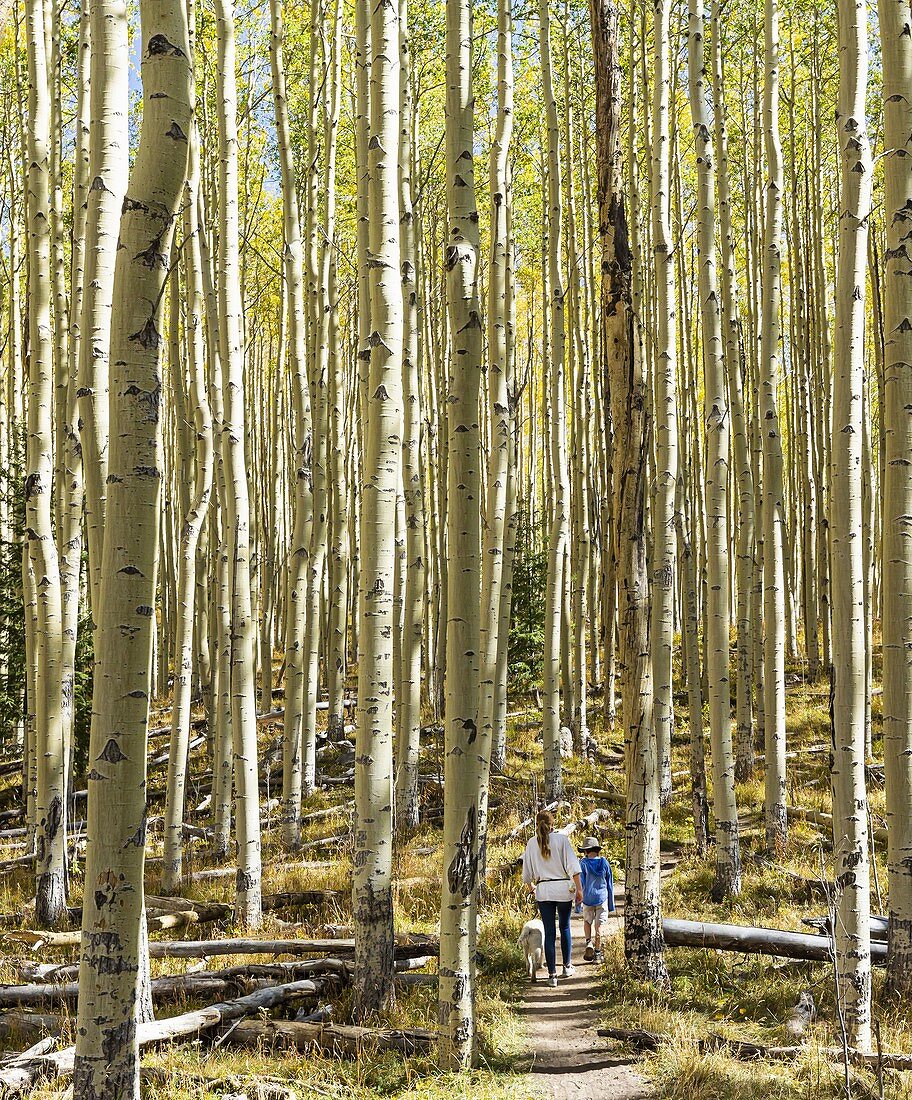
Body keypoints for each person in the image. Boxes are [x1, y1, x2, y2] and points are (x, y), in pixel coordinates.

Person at [522, 810, 583, 987]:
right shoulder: (562, 840)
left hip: (544, 890)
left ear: (536, 825)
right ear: (552, 825)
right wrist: (579, 890)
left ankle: (551, 975)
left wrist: (531, 887)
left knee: (549, 932)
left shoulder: (531, 843)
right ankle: (566, 966)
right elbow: (574, 867)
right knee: (564, 927)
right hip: (563, 889)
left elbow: (527, 874)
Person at [578, 836, 615, 962]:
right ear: (597, 850)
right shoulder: (604, 862)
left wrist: (578, 904)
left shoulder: (583, 863)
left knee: (587, 922)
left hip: (587, 898)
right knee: (598, 926)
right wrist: (611, 904)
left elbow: (580, 884)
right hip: (602, 898)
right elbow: (610, 884)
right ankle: (598, 955)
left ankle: (588, 942)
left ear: (586, 851)